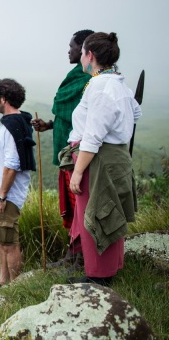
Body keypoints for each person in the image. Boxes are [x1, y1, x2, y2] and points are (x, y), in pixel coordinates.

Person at [60, 32, 141, 286]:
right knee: (109, 212)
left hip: (99, 159)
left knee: (95, 215)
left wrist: (78, 171)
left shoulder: (100, 86)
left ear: (90, 55)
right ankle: (108, 269)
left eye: (83, 53)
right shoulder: (118, 83)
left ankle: (98, 277)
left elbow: (92, 137)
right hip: (113, 156)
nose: (81, 57)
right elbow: (135, 113)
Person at [31, 30, 94, 271]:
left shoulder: (89, 79)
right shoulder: (76, 75)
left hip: (78, 154)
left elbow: (82, 117)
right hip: (66, 154)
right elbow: (68, 116)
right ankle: (73, 253)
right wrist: (49, 125)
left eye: (72, 47)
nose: (69, 51)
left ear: (84, 50)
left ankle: (81, 257)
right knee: (72, 206)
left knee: (80, 206)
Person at [0, 78, 36, 292]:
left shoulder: (12, 126)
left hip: (6, 196)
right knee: (0, 240)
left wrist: (2, 196)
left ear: (4, 99)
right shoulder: (13, 122)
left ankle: (16, 287)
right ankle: (3, 281)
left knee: (9, 242)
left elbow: (12, 165)